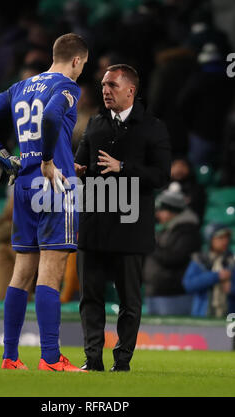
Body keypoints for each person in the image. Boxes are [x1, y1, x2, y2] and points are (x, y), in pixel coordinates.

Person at [0, 33, 88, 372]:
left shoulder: (21, 87)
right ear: (77, 60)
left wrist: (3, 156)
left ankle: (10, 356)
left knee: (21, 274)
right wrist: (51, 160)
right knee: (50, 273)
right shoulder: (67, 86)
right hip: (53, 185)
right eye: (83, 65)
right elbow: (51, 118)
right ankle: (51, 358)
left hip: (22, 184)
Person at [74, 64, 171, 371]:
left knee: (129, 300)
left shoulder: (152, 127)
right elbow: (81, 163)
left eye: (112, 85)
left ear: (131, 90)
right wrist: (77, 170)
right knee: (90, 298)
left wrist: (123, 167)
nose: (105, 90)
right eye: (103, 85)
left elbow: (161, 176)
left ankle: (123, 361)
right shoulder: (95, 123)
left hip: (130, 227)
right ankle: (92, 360)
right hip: (94, 223)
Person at [143, 184, 201, 316]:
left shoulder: (188, 231)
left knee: (174, 334)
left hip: (173, 294)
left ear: (172, 210)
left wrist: (151, 243)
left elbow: (174, 258)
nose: (158, 214)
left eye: (161, 210)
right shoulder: (167, 230)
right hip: (155, 291)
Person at [182, 224, 235, 318]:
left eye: (227, 237)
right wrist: (216, 276)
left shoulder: (232, 261)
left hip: (229, 316)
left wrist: (232, 288)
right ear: (210, 239)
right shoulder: (200, 260)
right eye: (220, 238)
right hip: (203, 315)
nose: (225, 241)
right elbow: (188, 284)